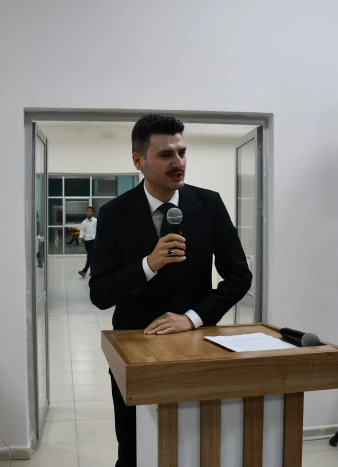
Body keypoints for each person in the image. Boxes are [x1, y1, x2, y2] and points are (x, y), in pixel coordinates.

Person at [89, 113, 252, 467]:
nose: (178, 162)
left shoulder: (209, 205)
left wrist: (192, 318)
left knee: (196, 448)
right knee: (134, 450)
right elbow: (100, 293)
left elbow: (240, 277)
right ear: (138, 161)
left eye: (182, 152)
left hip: (196, 347)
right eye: (165, 155)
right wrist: (149, 265)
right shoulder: (114, 214)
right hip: (135, 350)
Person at [77, 206, 97, 277]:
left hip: (94, 241)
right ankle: (93, 271)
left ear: (93, 212)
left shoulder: (96, 221)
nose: (89, 212)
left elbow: (99, 230)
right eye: (87, 211)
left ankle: (84, 271)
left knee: (90, 256)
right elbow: (82, 231)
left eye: (90, 211)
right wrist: (80, 238)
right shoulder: (84, 222)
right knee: (91, 256)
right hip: (87, 241)